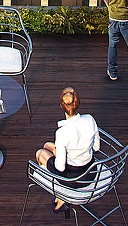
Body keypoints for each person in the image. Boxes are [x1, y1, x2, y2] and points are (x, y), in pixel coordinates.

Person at [34, 87, 100, 215]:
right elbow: (96, 147)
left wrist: (58, 154)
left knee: (39, 153)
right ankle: (60, 198)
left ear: (61, 106)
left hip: (74, 178)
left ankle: (61, 196)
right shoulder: (90, 119)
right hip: (91, 170)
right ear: (78, 103)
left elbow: (60, 167)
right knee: (47, 145)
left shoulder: (62, 132)